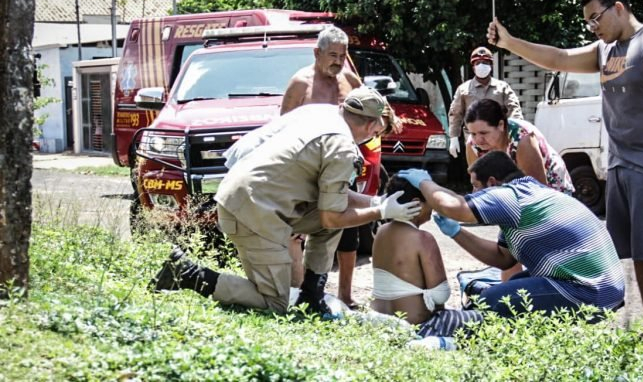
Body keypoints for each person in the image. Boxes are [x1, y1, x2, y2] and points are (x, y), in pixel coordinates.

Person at [486, 0, 643, 330]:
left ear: (619, 7)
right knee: (640, 256)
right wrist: (509, 42)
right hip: (619, 165)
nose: (592, 27)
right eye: (588, 22)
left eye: (595, 18)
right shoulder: (604, 50)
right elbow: (558, 58)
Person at [150, 87, 421, 316]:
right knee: (275, 302)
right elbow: (331, 217)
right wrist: (380, 211)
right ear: (372, 125)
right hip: (251, 210)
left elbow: (334, 198)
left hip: (252, 198)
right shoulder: (342, 147)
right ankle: (188, 273)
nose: (374, 138)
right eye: (378, 132)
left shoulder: (324, 117)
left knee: (335, 215)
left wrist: (374, 200)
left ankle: (312, 294)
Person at [398, 152, 625, 318]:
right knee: (515, 283)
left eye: (476, 187)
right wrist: (457, 232)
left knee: (491, 300)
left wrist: (425, 182)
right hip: (605, 288)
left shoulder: (510, 196)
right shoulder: (528, 199)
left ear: (493, 183)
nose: (474, 194)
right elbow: (502, 259)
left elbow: (455, 206)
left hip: (588, 291)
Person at [280, 25, 402, 309]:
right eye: (332, 54)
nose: (337, 60)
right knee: (301, 229)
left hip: (345, 163)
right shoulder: (300, 83)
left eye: (342, 55)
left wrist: (389, 115)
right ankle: (297, 290)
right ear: (317, 53)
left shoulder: (348, 77)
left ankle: (345, 294)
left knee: (348, 227)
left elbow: (372, 101)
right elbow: (282, 125)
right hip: (308, 166)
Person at [465, 98, 575, 281]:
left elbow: (538, 193)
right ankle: (511, 299)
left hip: (549, 191)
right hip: (507, 195)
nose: (478, 139)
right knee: (510, 249)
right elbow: (479, 184)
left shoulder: (523, 138)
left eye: (484, 133)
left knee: (547, 249)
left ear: (501, 125)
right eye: (473, 133)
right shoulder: (473, 144)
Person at [371, 175, 483, 339]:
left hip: (382, 323)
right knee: (484, 319)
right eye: (430, 200)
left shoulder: (381, 231)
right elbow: (440, 295)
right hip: (420, 327)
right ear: (417, 203)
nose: (433, 206)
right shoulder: (423, 239)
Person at [447, 46, 523, 166]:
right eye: (478, 63)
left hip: (498, 140)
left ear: (491, 65)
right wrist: (453, 137)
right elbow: (455, 113)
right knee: (478, 174)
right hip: (475, 143)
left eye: (485, 62)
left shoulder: (502, 87)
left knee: (501, 172)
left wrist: (516, 132)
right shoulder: (464, 89)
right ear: (473, 66)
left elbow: (514, 109)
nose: (482, 65)